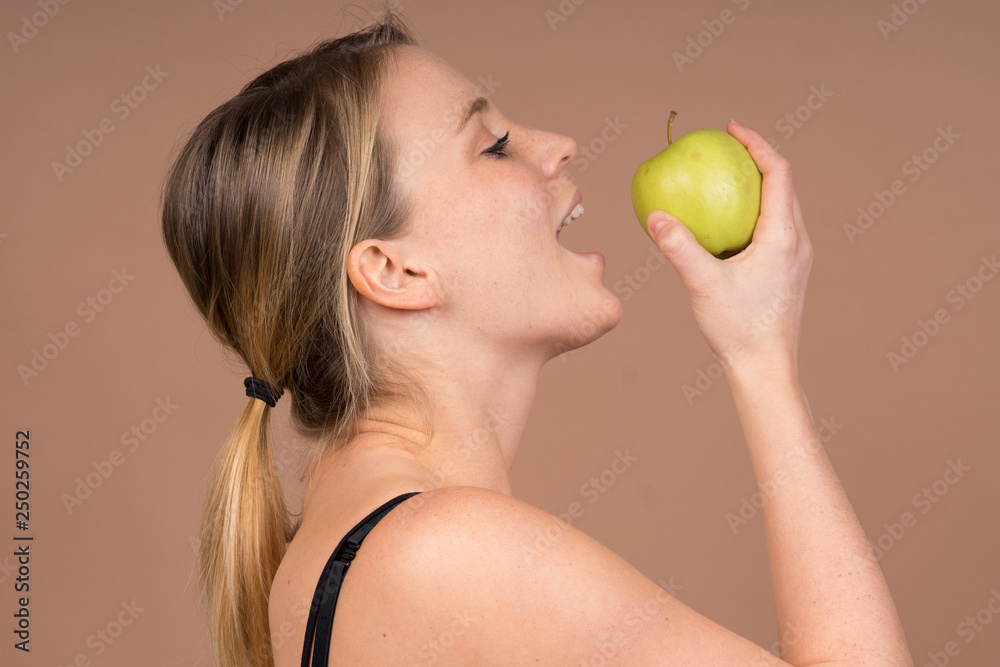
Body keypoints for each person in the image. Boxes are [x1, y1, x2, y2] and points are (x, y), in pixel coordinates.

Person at [160, 8, 913, 667]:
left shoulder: (333, 554)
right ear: (393, 268)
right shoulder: (445, 550)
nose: (558, 144)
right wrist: (762, 357)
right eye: (492, 146)